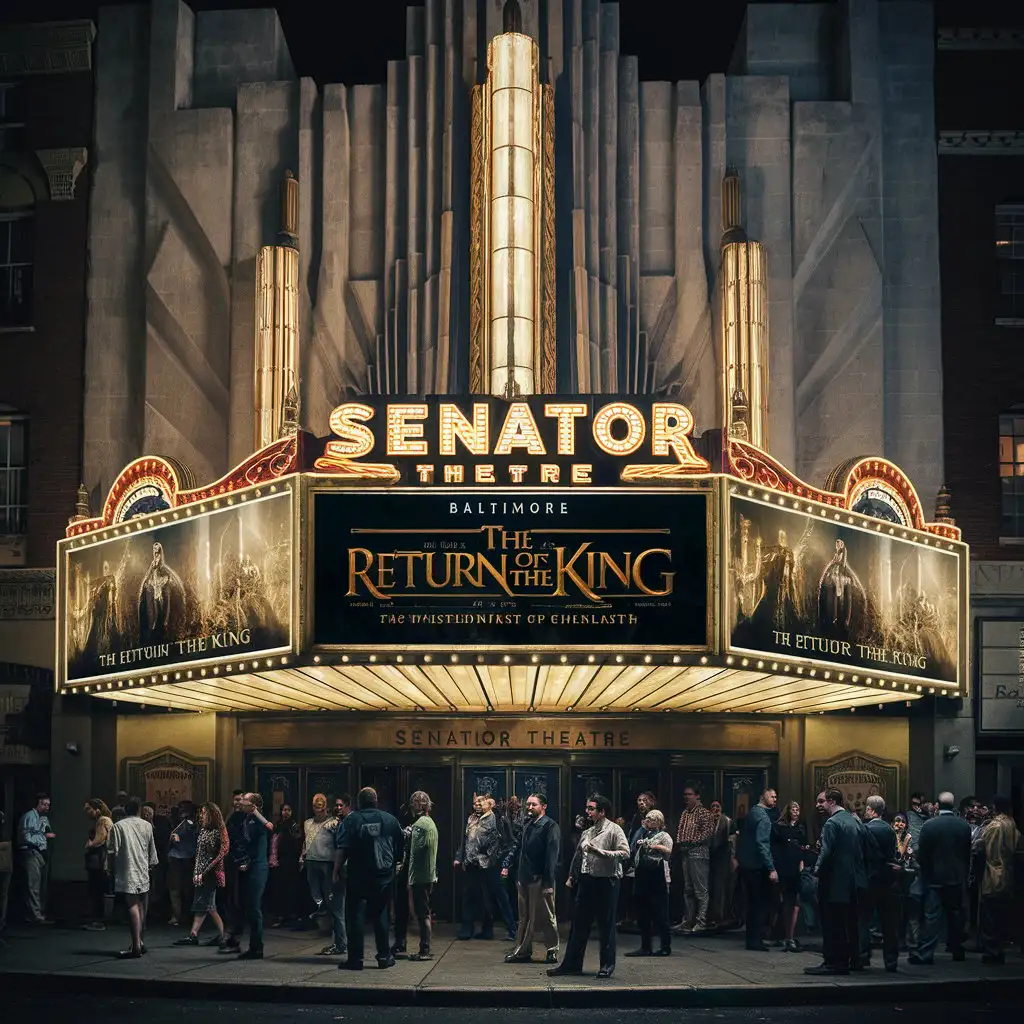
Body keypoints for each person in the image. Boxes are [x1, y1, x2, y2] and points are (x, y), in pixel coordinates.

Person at [549, 794, 630, 979]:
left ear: (602, 811)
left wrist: (600, 852)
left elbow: (625, 853)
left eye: (591, 808)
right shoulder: (588, 831)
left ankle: (607, 966)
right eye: (587, 808)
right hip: (587, 881)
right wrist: (572, 876)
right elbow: (579, 855)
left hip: (606, 881)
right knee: (579, 925)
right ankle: (571, 964)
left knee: (606, 925)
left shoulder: (614, 830)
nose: (587, 812)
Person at [335, 786, 404, 971]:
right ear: (376, 801)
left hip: (358, 876)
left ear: (359, 802)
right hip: (384, 877)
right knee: (381, 915)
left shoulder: (351, 821)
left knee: (355, 917)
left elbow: (342, 848)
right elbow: (400, 846)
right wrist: (394, 866)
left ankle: (355, 960)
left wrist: (336, 871)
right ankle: (384, 956)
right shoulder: (390, 820)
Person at [805, 789, 868, 976]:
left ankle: (834, 962)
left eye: (821, 801)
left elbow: (826, 852)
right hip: (853, 880)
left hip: (834, 880)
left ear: (832, 802)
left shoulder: (832, 823)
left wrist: (816, 871)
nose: (817, 805)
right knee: (849, 921)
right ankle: (853, 959)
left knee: (832, 922)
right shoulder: (854, 820)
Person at [913, 790, 971, 965]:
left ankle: (926, 953)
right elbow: (966, 854)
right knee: (955, 914)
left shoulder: (930, 826)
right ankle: (957, 949)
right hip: (955, 877)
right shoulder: (964, 826)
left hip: (934, 878)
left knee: (932, 916)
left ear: (937, 805)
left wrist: (925, 872)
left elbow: (922, 854)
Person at [505, 793, 560, 965]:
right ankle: (522, 950)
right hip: (525, 878)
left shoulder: (550, 826)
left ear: (543, 806)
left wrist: (548, 883)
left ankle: (552, 950)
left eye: (533, 805)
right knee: (524, 917)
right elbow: (521, 851)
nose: (529, 808)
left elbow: (551, 857)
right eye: (527, 805)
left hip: (540, 878)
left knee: (546, 916)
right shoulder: (528, 824)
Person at [454, 793, 515, 941]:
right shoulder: (471, 818)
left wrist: (501, 861)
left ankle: (511, 929)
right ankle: (468, 927)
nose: (477, 805)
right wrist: (459, 857)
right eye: (475, 803)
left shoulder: (497, 819)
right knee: (469, 895)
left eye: (481, 803)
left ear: (491, 805)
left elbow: (508, 842)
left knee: (496, 896)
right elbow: (465, 840)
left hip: (491, 865)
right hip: (471, 864)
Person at [107, 797, 159, 959]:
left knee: (132, 905)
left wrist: (110, 869)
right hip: (143, 869)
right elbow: (152, 849)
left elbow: (111, 852)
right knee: (142, 905)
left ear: (125, 810)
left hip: (127, 870)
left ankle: (135, 945)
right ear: (138, 810)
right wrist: (152, 864)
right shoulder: (147, 825)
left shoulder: (118, 827)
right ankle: (140, 942)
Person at [174, 801, 230, 948]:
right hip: (201, 873)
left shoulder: (218, 831)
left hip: (211, 873)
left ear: (211, 814)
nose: (201, 815)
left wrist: (204, 873)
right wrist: (197, 872)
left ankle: (224, 935)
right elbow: (199, 854)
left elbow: (221, 854)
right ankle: (193, 934)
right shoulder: (204, 830)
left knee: (209, 905)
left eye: (204, 813)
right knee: (202, 904)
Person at [227, 792, 274, 960]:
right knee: (245, 905)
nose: (241, 802)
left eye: (245, 800)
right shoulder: (243, 819)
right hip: (247, 866)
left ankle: (257, 948)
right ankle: (239, 940)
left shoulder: (260, 821)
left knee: (254, 907)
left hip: (257, 867)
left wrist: (256, 813)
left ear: (254, 805)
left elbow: (270, 828)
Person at [974, 794, 1020, 964]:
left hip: (993, 873)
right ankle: (998, 949)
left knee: (990, 916)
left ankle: (992, 951)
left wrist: (978, 843)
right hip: (1007, 872)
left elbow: (989, 851)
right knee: (1001, 916)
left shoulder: (995, 825)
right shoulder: (1011, 823)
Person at [859, 794, 901, 972]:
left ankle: (862, 956)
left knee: (863, 919)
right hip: (887, 881)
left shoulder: (865, 829)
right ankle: (891, 961)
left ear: (870, 810)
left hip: (868, 879)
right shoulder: (889, 831)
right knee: (889, 923)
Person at [625, 808, 674, 958]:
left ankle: (665, 946)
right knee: (643, 913)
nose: (647, 821)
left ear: (658, 822)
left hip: (656, 875)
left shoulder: (664, 835)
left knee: (660, 913)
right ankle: (645, 946)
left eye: (651, 819)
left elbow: (668, 850)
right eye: (646, 818)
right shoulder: (644, 833)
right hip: (642, 875)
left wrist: (654, 846)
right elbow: (633, 847)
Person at [735, 788, 778, 951]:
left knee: (752, 903)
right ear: (762, 797)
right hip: (757, 866)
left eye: (775, 796)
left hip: (746, 864)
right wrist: (771, 867)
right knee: (760, 904)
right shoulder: (763, 817)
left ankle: (751, 939)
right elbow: (762, 844)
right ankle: (756, 940)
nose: (774, 798)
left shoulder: (752, 812)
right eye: (771, 796)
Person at [399, 789, 438, 962]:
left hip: (421, 876)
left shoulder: (421, 824)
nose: (411, 805)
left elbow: (415, 853)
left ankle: (425, 950)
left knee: (422, 914)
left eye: (414, 802)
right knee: (423, 912)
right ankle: (424, 948)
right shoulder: (428, 822)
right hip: (427, 875)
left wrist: (410, 877)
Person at [675, 781, 715, 935]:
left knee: (700, 890)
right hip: (686, 853)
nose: (687, 797)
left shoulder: (705, 813)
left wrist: (691, 841)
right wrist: (681, 842)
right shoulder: (685, 813)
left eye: (690, 794)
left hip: (699, 853)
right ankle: (688, 921)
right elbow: (680, 832)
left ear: (697, 796)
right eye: (685, 794)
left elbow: (707, 833)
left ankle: (701, 921)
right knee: (688, 889)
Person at [771, 800, 806, 952]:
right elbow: (775, 849)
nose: (797, 811)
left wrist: (802, 861)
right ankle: (783, 936)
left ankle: (788, 936)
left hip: (796, 867)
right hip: (782, 868)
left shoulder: (800, 828)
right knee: (784, 902)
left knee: (793, 902)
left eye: (798, 809)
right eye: (794, 809)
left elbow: (803, 846)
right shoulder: (779, 827)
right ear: (788, 811)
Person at [18, 793, 55, 924]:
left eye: (48, 805)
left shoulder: (42, 819)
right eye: (44, 804)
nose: (47, 807)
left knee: (38, 884)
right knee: (32, 884)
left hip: (40, 853)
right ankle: (34, 914)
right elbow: (26, 837)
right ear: (38, 803)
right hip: (30, 851)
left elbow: (44, 832)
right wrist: (42, 838)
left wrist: (45, 834)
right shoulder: (29, 817)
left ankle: (36, 912)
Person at [321, 794, 350, 957]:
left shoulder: (345, 824)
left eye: (341, 805)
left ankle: (340, 944)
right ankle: (339, 942)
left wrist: (335, 871)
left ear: (347, 806)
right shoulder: (339, 823)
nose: (338, 808)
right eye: (336, 806)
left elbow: (341, 849)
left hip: (341, 870)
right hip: (341, 868)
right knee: (337, 907)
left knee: (337, 908)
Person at [302, 793, 335, 924]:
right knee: (313, 887)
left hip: (326, 860)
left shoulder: (332, 822)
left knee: (328, 889)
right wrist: (302, 855)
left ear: (326, 807)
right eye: (316, 806)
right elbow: (305, 841)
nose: (319, 809)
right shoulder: (307, 823)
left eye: (321, 806)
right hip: (310, 859)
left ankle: (331, 916)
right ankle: (320, 908)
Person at [221, 789, 247, 952]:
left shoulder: (244, 817)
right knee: (229, 898)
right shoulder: (231, 816)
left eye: (240, 800)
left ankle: (234, 934)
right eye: (235, 799)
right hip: (230, 862)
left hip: (239, 863)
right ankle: (230, 932)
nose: (237, 802)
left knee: (238, 899)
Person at [82, 798, 113, 931]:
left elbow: (99, 840)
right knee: (98, 890)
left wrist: (89, 844)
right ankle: (99, 920)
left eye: (89, 809)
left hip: (98, 860)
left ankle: (99, 921)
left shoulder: (102, 820)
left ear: (97, 809)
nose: (86, 811)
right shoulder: (104, 820)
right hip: (99, 859)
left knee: (96, 890)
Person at [269, 803, 302, 927]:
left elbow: (297, 840)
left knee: (291, 888)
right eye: (284, 810)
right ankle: (280, 915)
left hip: (291, 861)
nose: (286, 812)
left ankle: (291, 915)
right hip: (280, 862)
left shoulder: (294, 825)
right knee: (280, 889)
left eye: (288, 810)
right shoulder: (277, 825)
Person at [167, 802, 197, 927]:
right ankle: (180, 915)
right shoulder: (181, 823)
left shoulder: (189, 824)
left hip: (183, 859)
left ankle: (179, 916)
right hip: (182, 858)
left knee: (181, 889)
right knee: (182, 889)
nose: (180, 811)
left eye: (183, 809)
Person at [708, 799, 734, 929]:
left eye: (717, 806)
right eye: (713, 806)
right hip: (709, 858)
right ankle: (710, 916)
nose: (715, 809)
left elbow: (731, 841)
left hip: (723, 858)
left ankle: (721, 916)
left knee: (720, 887)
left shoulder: (727, 821)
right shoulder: (707, 822)